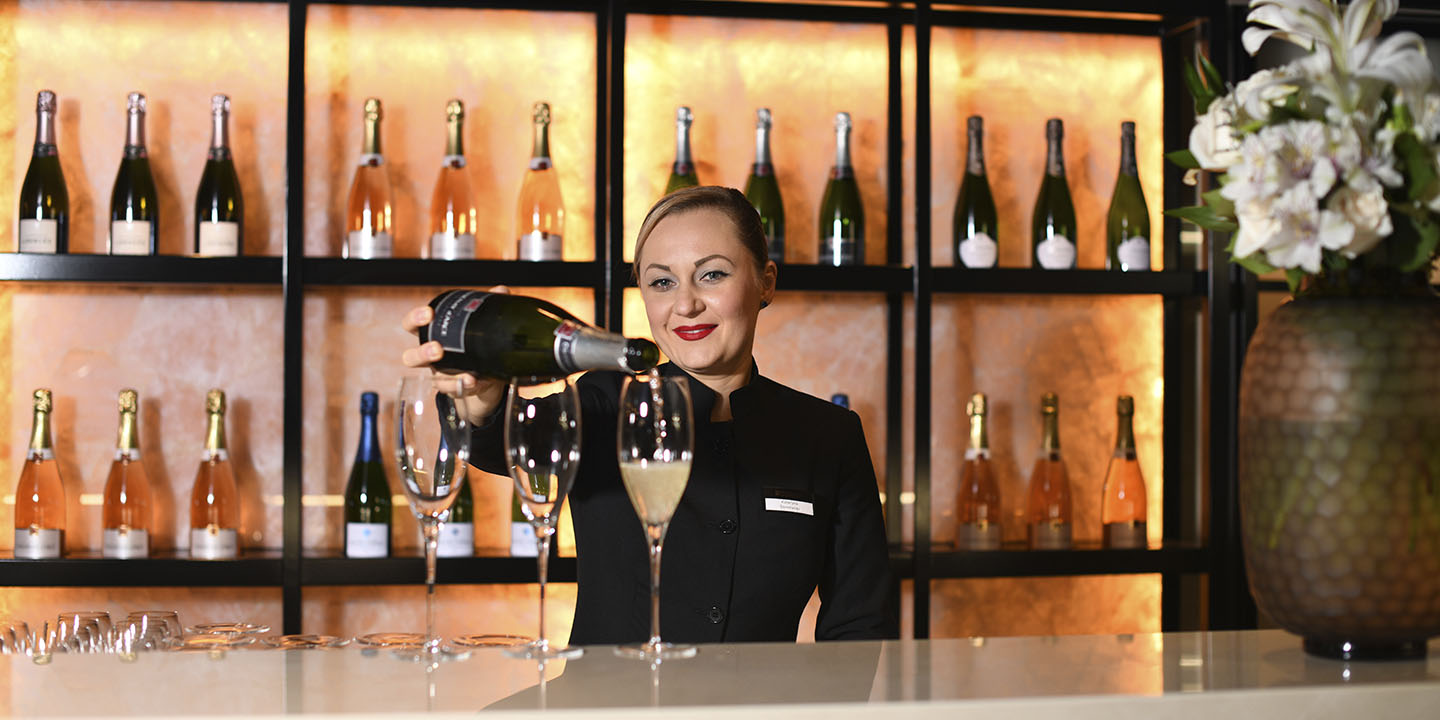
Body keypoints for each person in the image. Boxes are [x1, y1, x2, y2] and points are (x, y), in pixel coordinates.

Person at [402, 185, 896, 644]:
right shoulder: (603, 400)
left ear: (765, 282)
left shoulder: (829, 435)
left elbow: (860, 621)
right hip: (608, 710)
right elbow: (514, 447)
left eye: (713, 274)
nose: (685, 304)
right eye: (662, 282)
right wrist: (483, 399)